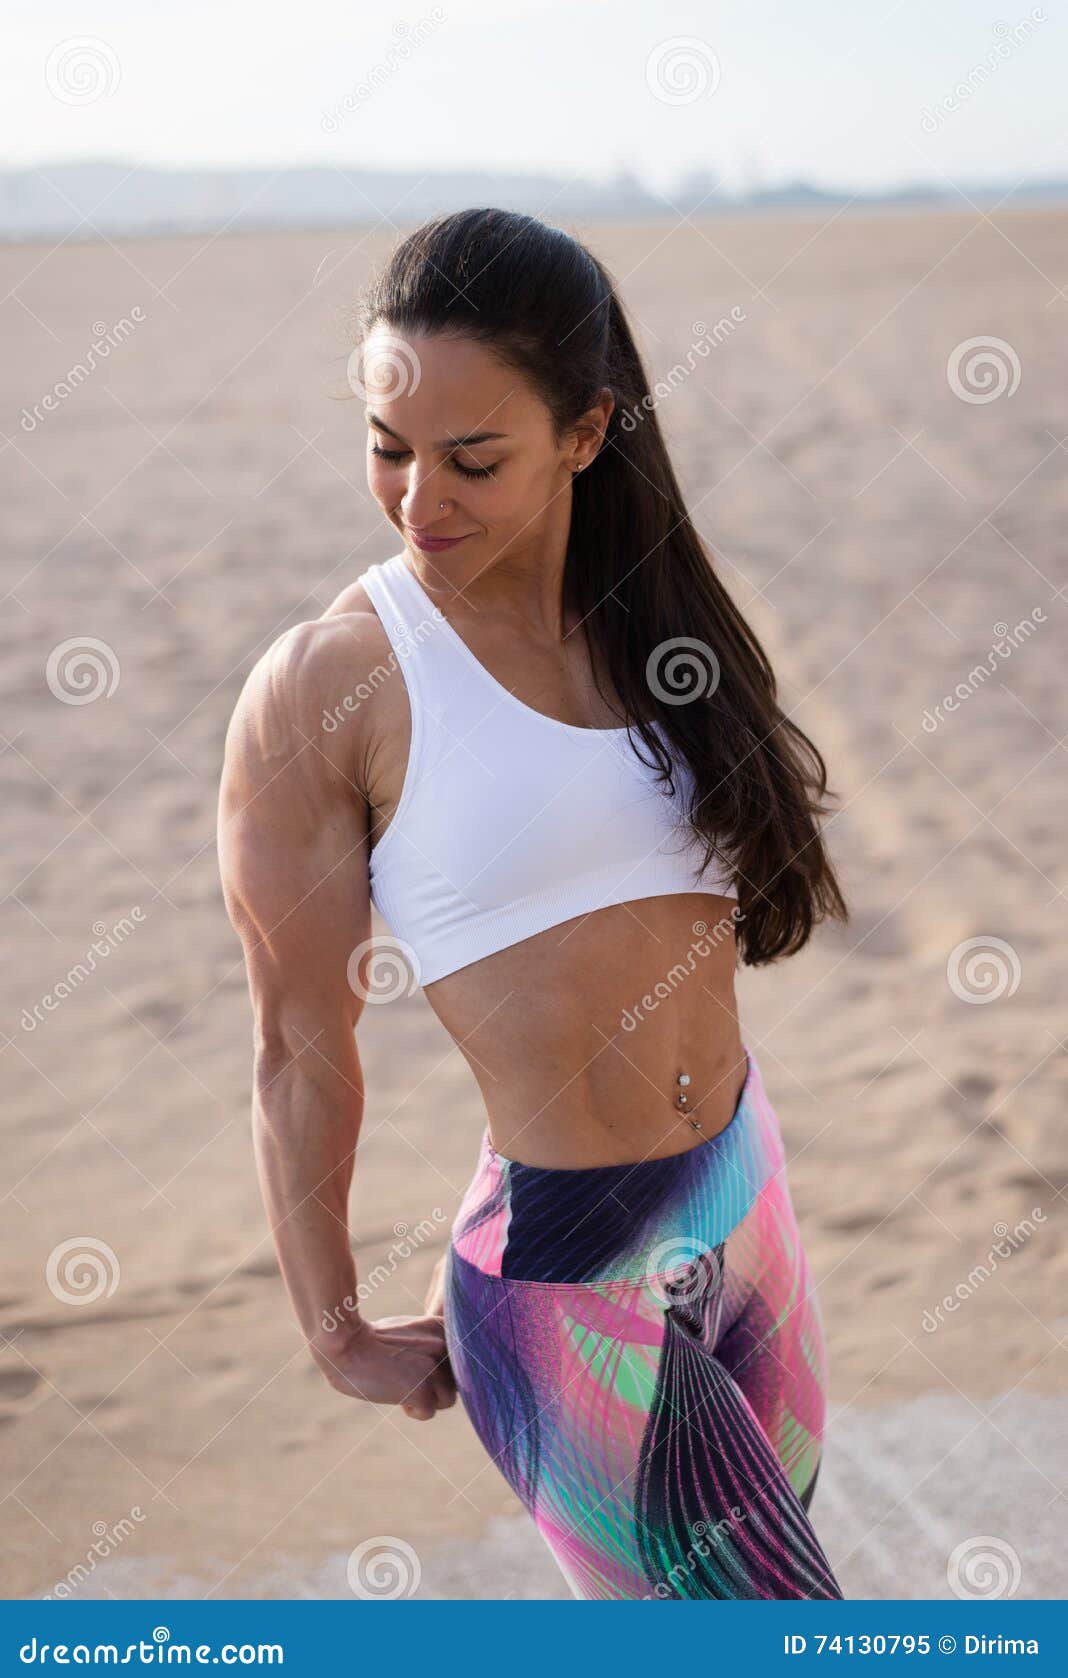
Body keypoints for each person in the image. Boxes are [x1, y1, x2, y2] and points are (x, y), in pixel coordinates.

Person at [217, 208, 849, 1600]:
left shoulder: (651, 622)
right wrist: (331, 1324)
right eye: (387, 449)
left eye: (472, 458)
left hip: (749, 1199)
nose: (416, 497)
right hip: (568, 1280)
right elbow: (296, 1040)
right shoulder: (330, 686)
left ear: (584, 431)